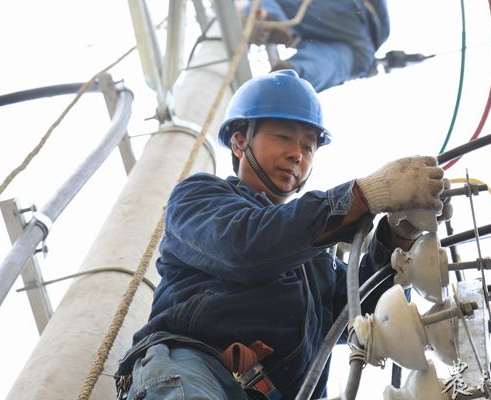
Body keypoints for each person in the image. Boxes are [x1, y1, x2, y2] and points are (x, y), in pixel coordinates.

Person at [115, 70, 445, 399]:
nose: (297, 154)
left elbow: (366, 309)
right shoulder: (198, 196)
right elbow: (244, 248)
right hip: (197, 371)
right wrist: (362, 196)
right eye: (283, 137)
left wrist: (399, 236)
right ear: (239, 140)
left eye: (308, 146)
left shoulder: (314, 259)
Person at [241, 0, 390, 92]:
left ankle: (268, 18)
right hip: (364, 52)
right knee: (330, 62)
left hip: (350, 12)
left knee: (277, 3)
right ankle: (293, 77)